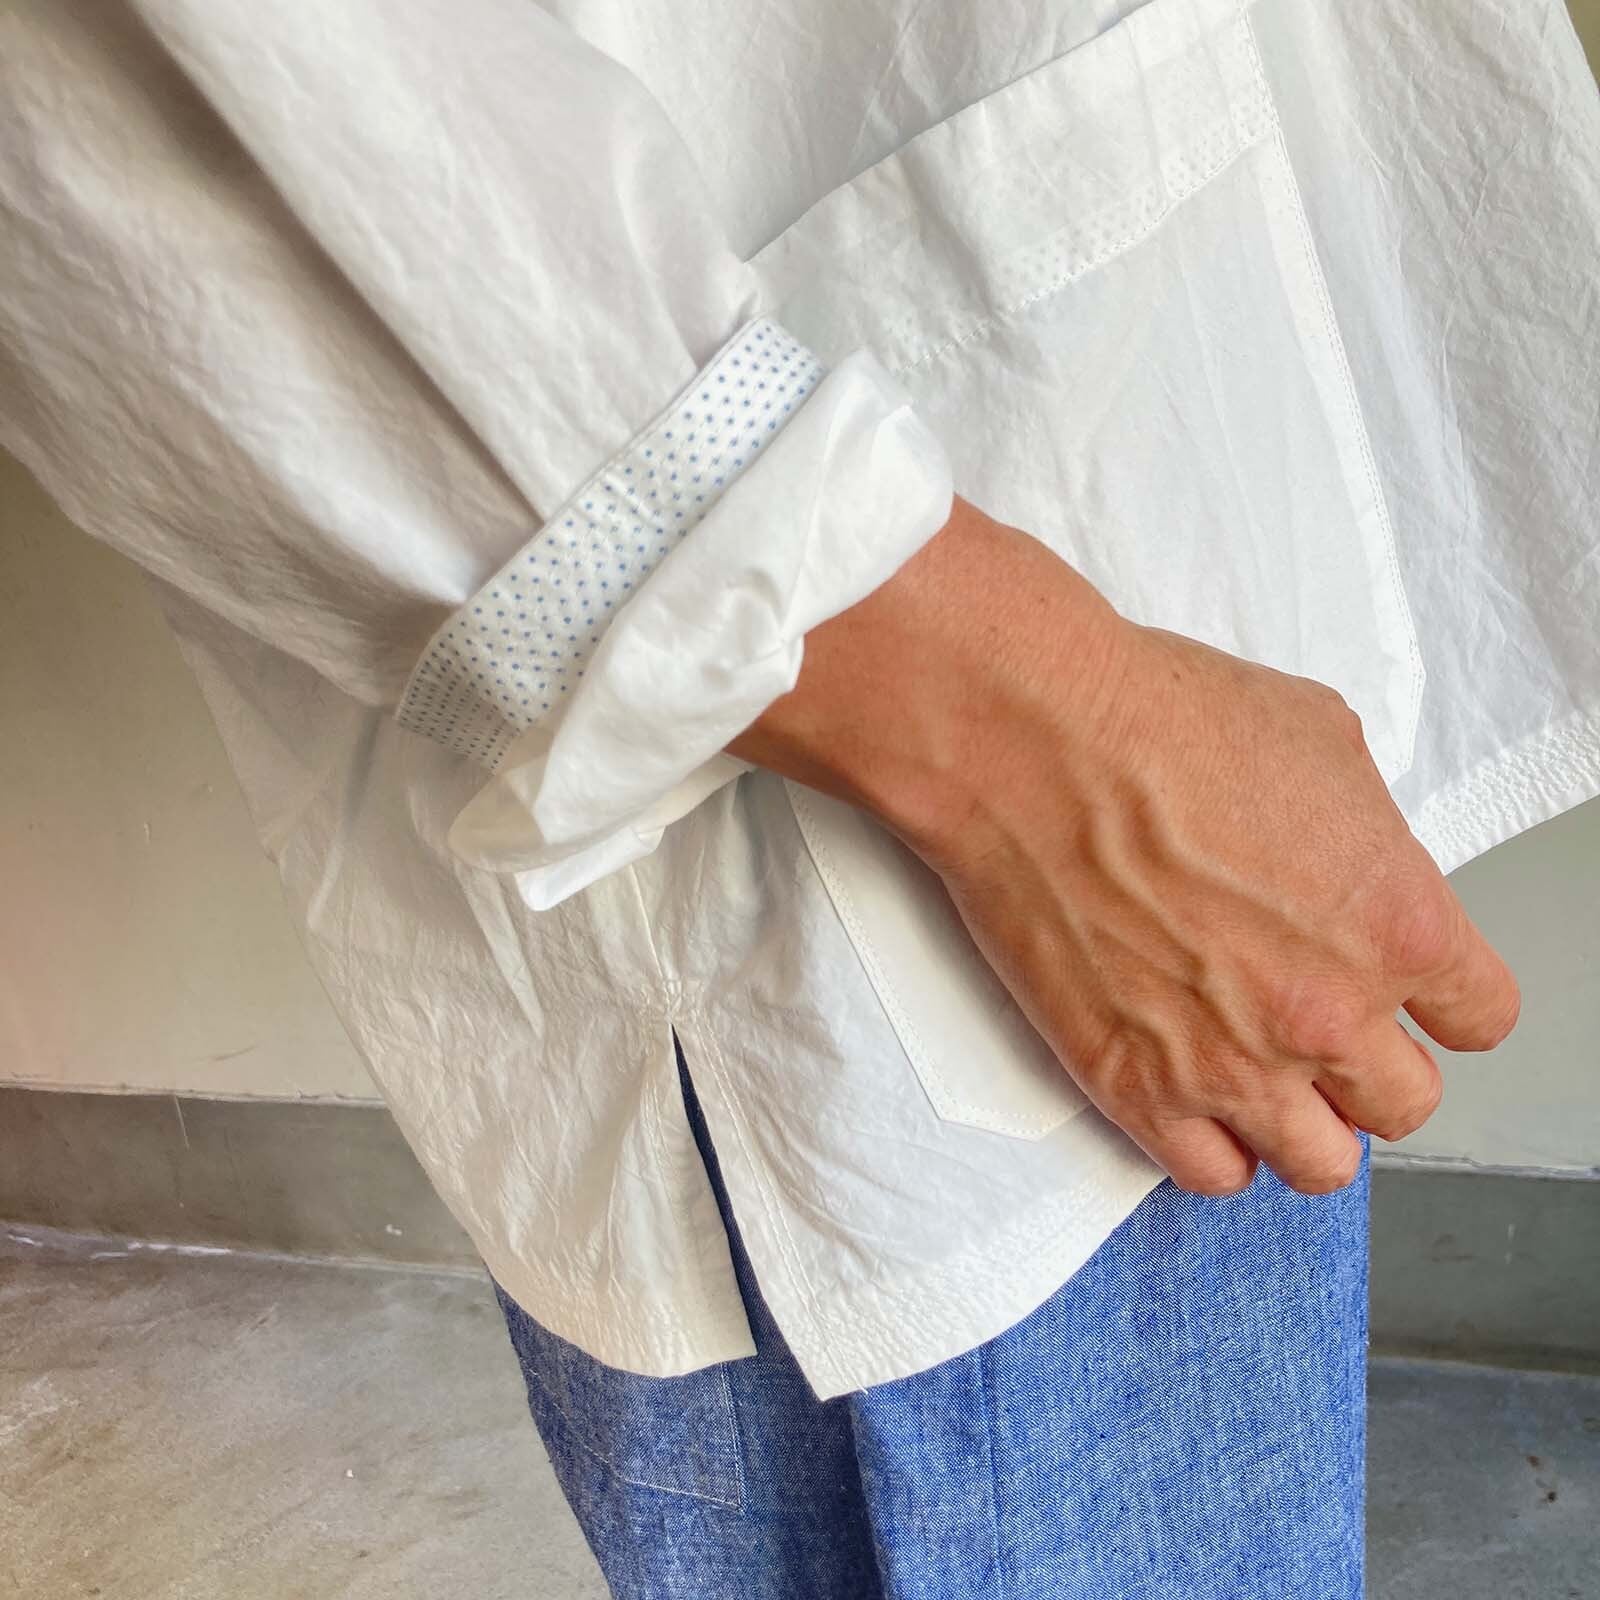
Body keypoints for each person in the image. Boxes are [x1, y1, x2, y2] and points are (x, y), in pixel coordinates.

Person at [2, 1, 1595, 1594]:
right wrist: (1042, 750)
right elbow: (143, 121)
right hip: (918, 838)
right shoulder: (1052, 792)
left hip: (1119, 688)